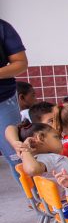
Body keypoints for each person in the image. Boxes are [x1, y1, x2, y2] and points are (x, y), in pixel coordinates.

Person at [0, 19, 29, 178]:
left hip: (3, 101)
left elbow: (20, 63)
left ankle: (35, 200)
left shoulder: (2, 28)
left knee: (18, 155)